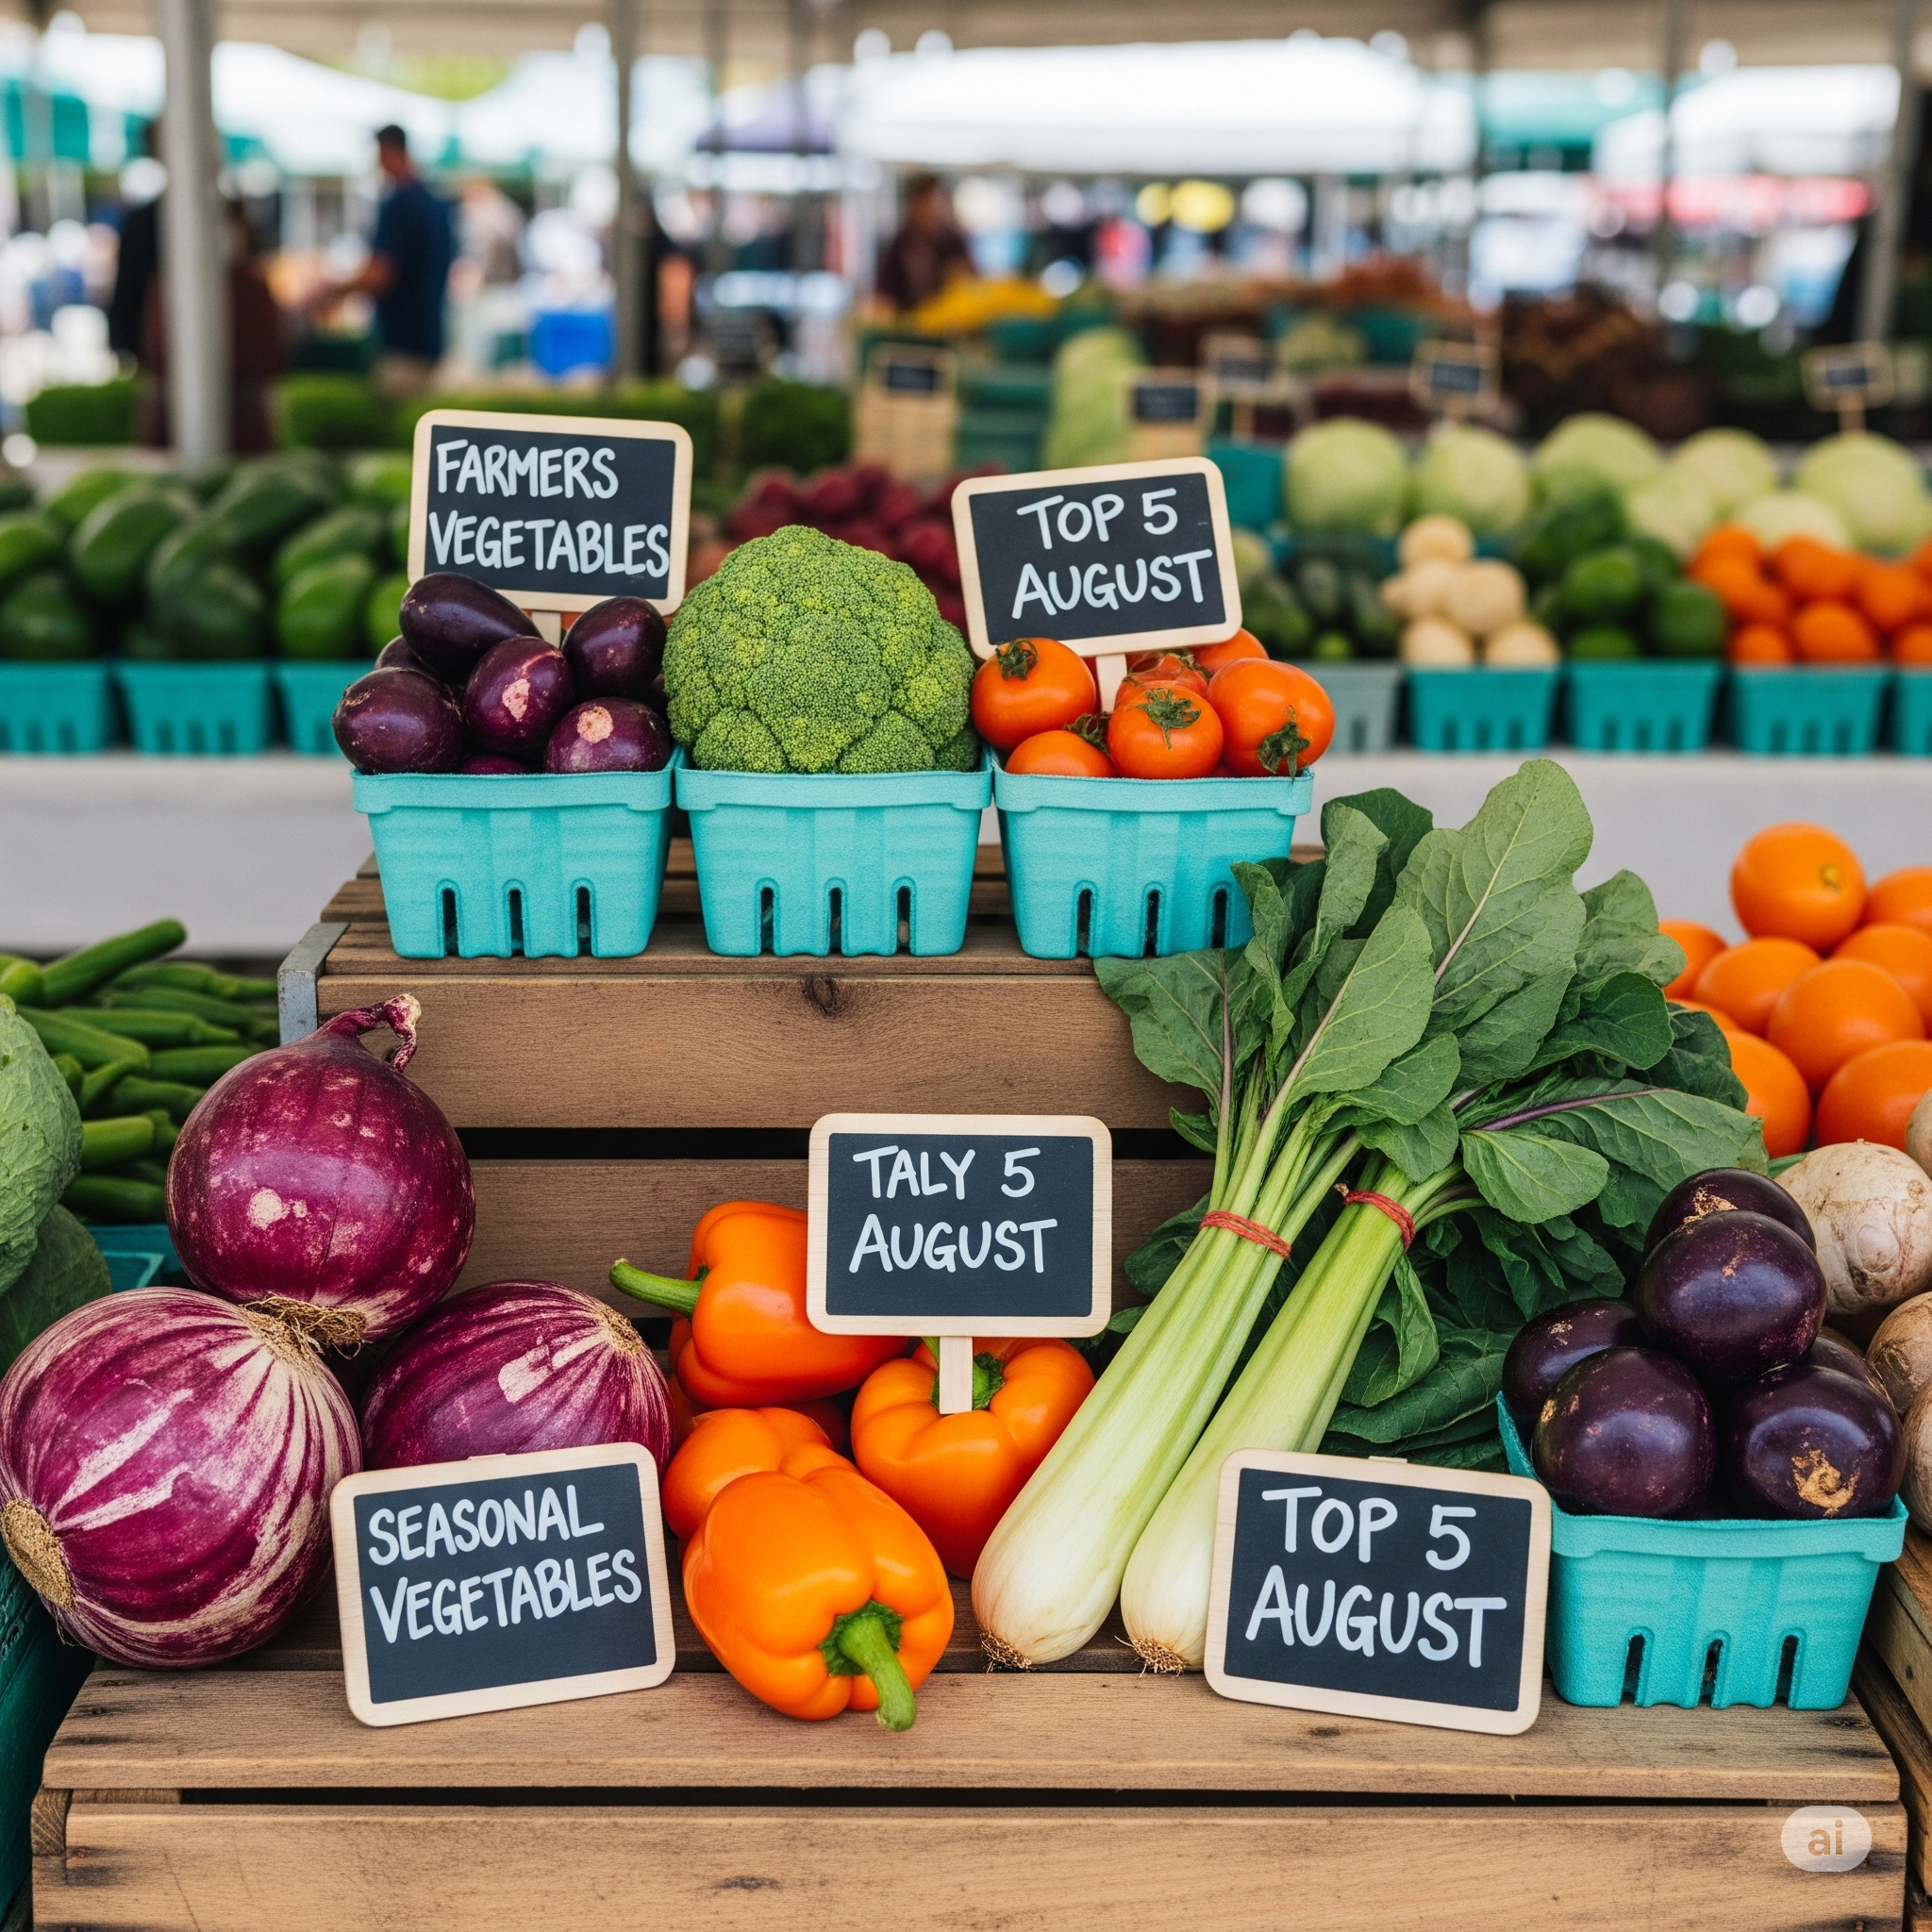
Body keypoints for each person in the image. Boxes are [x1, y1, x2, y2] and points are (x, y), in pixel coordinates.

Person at [338, 125, 455, 398]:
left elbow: (379, 274)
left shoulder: (400, 204)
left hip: (402, 343)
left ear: (387, 151)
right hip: (430, 334)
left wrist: (330, 291)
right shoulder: (434, 202)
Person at [876, 174, 973, 316]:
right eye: (925, 203)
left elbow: (971, 284)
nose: (932, 210)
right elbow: (884, 291)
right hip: (909, 322)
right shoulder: (902, 242)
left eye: (937, 203)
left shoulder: (954, 242)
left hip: (950, 320)